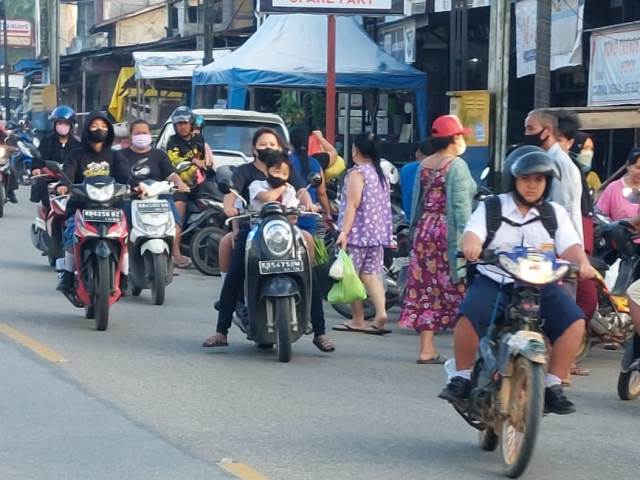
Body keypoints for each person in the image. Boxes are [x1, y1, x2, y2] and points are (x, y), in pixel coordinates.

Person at [439, 147, 595, 415]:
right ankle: (462, 377)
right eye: (526, 178)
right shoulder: (491, 207)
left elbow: (571, 246)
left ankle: (553, 384)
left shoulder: (554, 213)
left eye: (539, 179)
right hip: (496, 281)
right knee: (468, 316)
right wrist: (472, 246)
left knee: (574, 321)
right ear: (513, 179)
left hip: (539, 284)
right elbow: (471, 234)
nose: (532, 185)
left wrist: (582, 262)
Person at [204, 128, 334, 353]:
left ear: (281, 148)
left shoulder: (287, 170)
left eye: (272, 144)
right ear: (254, 148)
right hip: (253, 229)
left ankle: (320, 332)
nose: (268, 148)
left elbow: (302, 192)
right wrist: (230, 210)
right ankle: (221, 330)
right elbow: (232, 195)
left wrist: (311, 206)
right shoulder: (247, 174)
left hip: (284, 232)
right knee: (236, 270)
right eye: (263, 144)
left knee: (309, 271)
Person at [398, 116, 476, 363]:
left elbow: (416, 202)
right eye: (461, 135)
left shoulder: (425, 164)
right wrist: (468, 243)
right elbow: (462, 210)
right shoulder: (457, 166)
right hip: (447, 232)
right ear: (454, 138)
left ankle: (427, 348)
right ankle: (467, 349)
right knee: (459, 285)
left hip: (424, 231)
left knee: (426, 289)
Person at [55, 112, 133, 293]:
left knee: (124, 236)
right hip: (81, 206)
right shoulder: (76, 154)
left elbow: (126, 176)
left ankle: (125, 277)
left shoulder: (115, 156)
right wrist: (64, 186)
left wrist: (135, 186)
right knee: (71, 232)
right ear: (86, 129)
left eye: (104, 126)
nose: (99, 130)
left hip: (112, 207)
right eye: (94, 126)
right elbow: (68, 173)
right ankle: (67, 274)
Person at [333, 133, 393, 335]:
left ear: (355, 150)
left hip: (358, 234)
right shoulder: (380, 174)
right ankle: (381, 313)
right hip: (376, 234)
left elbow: (353, 204)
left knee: (351, 277)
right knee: (370, 275)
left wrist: (344, 232)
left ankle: (358, 319)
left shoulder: (357, 173)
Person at [117, 119, 189, 230]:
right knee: (124, 225)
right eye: (137, 133)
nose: (141, 136)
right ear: (131, 136)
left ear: (150, 134)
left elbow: (171, 174)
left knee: (174, 223)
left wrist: (179, 183)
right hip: (132, 196)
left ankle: (175, 247)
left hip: (158, 197)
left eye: (144, 133)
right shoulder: (120, 155)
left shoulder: (159, 154)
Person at [165, 106, 215, 268]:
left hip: (199, 184)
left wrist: (207, 164)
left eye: (184, 123)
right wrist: (194, 162)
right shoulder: (172, 141)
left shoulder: (199, 139)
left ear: (191, 123)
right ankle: (176, 253)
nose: (181, 126)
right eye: (178, 124)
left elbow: (206, 162)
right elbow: (174, 163)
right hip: (180, 185)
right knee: (178, 215)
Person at [524, 109, 583, 241]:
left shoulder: (560, 164)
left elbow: (561, 209)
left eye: (530, 129)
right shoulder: (546, 160)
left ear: (547, 130)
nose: (526, 134)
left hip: (561, 242)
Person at [30, 105, 81, 207]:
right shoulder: (46, 141)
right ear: (54, 124)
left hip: (70, 181)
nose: (63, 126)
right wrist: (36, 168)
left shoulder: (78, 145)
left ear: (71, 125)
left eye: (66, 123)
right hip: (50, 179)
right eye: (60, 123)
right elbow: (38, 158)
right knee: (47, 201)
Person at [288, 126, 333, 233]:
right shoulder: (315, 164)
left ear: (290, 143)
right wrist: (328, 214)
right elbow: (321, 192)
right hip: (309, 217)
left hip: (288, 218)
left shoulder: (285, 162)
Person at [596, 148, 640, 222]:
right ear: (628, 166)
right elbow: (600, 217)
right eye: (638, 168)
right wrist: (615, 228)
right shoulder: (613, 188)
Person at [400, 140, 432, 224]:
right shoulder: (438, 169)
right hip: (429, 220)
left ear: (417, 153)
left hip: (409, 218)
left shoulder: (406, 168)